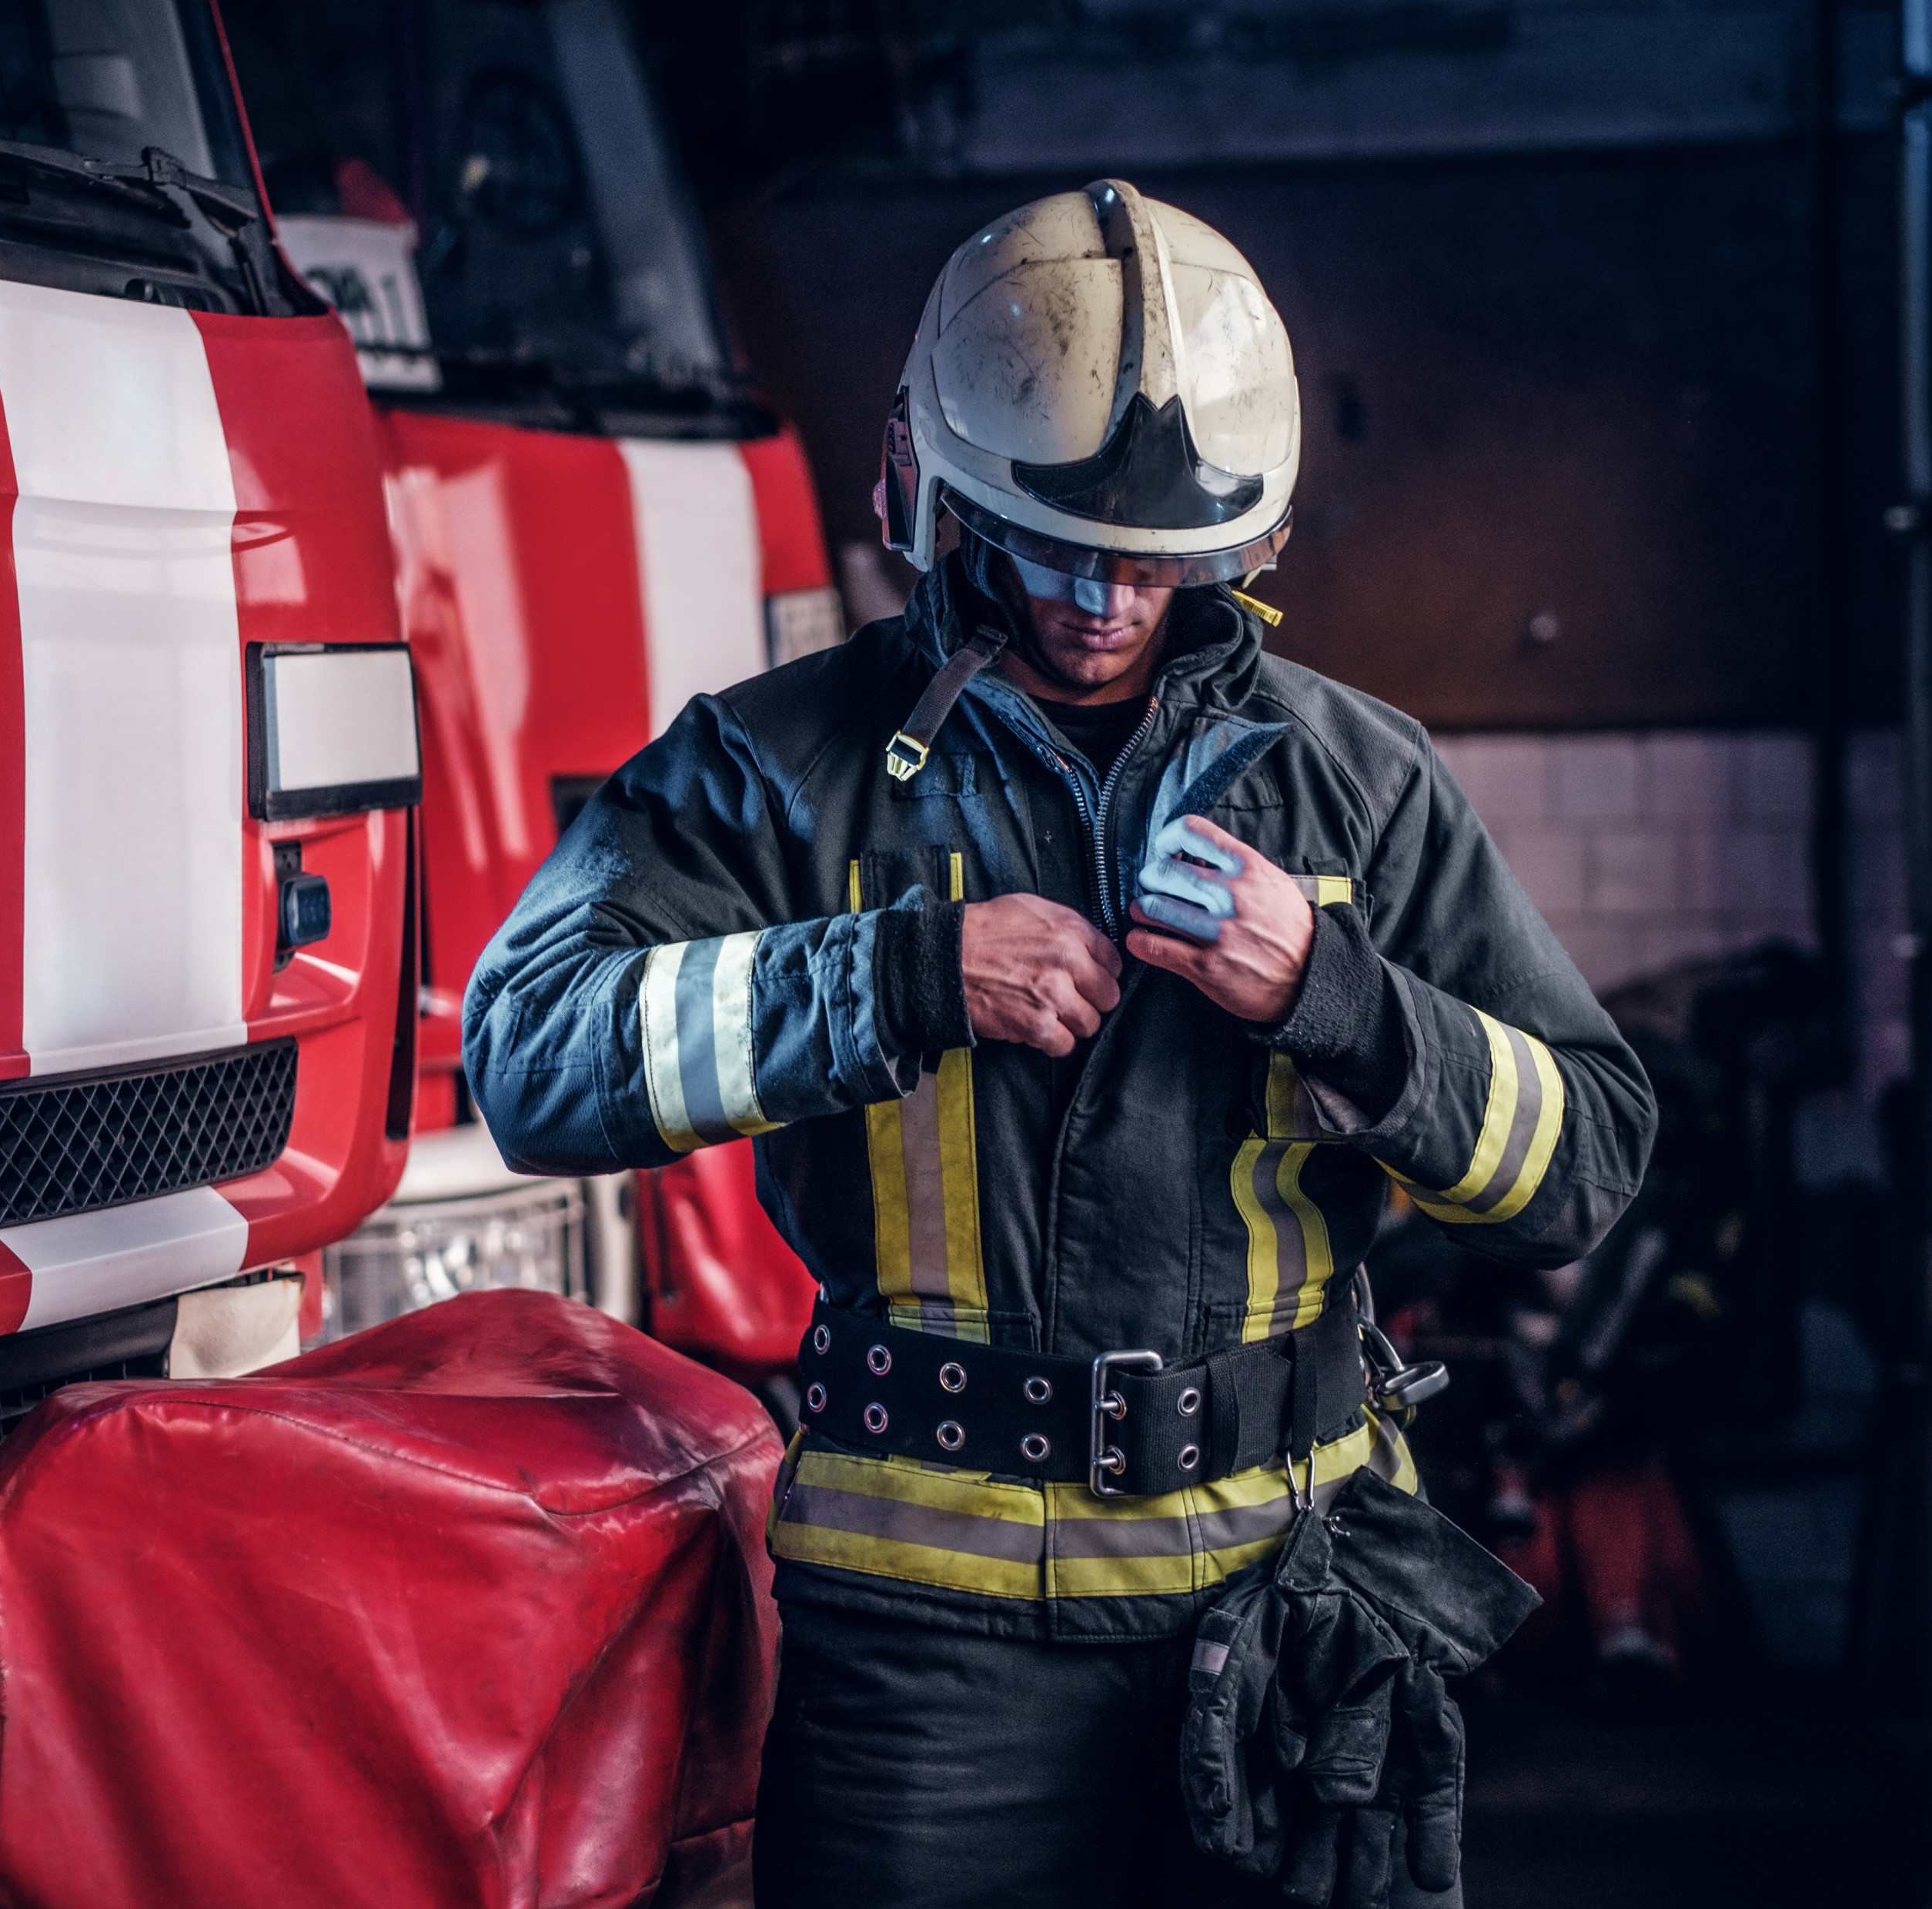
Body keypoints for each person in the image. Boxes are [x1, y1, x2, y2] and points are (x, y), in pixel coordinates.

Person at [463, 179, 1655, 1909]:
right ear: (936, 493)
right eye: (1051, 540)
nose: (1102, 597)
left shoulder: (1357, 781)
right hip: (921, 1663)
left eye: (1154, 558)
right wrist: (895, 974)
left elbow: (1584, 1169)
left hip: (1293, 1608)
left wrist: (1337, 995)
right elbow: (528, 1055)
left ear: (1234, 541)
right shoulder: (770, 764)